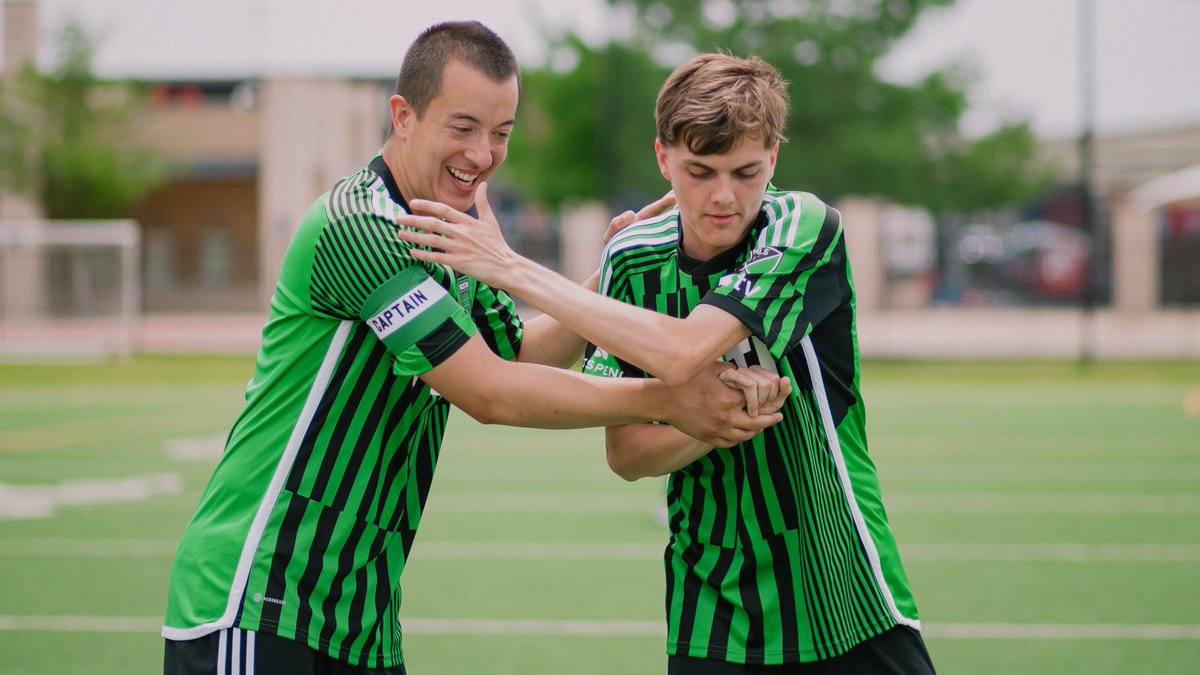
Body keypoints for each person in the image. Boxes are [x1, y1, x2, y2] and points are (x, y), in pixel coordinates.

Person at [161, 26, 788, 675]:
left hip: (357, 617)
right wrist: (671, 398)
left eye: (501, 131)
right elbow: (490, 391)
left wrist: (612, 265)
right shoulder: (362, 226)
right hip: (261, 595)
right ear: (402, 115)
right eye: (463, 127)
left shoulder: (451, 234)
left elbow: (520, 352)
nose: (483, 154)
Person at [394, 53, 937, 674]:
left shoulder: (804, 227)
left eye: (746, 171)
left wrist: (510, 266)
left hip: (841, 583)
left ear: (774, 160)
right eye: (699, 171)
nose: (724, 196)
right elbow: (627, 455)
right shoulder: (632, 258)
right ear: (663, 159)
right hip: (711, 605)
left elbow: (683, 350)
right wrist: (713, 420)